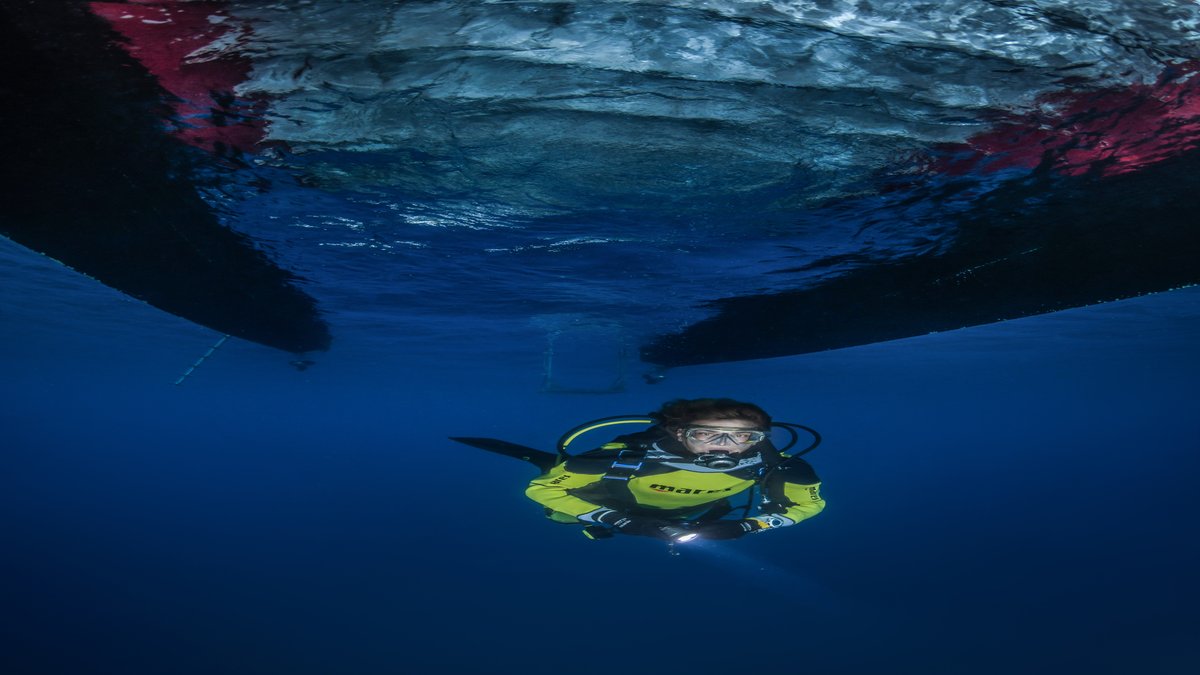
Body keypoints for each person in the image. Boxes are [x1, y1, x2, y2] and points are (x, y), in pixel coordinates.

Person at [525, 398, 825, 542]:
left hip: (690, 515)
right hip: (609, 505)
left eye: (742, 436)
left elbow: (810, 505)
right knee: (558, 518)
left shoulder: (777, 465)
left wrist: (750, 525)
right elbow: (540, 490)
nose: (723, 446)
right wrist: (617, 520)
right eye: (705, 434)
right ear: (680, 433)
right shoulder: (623, 457)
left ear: (760, 439)